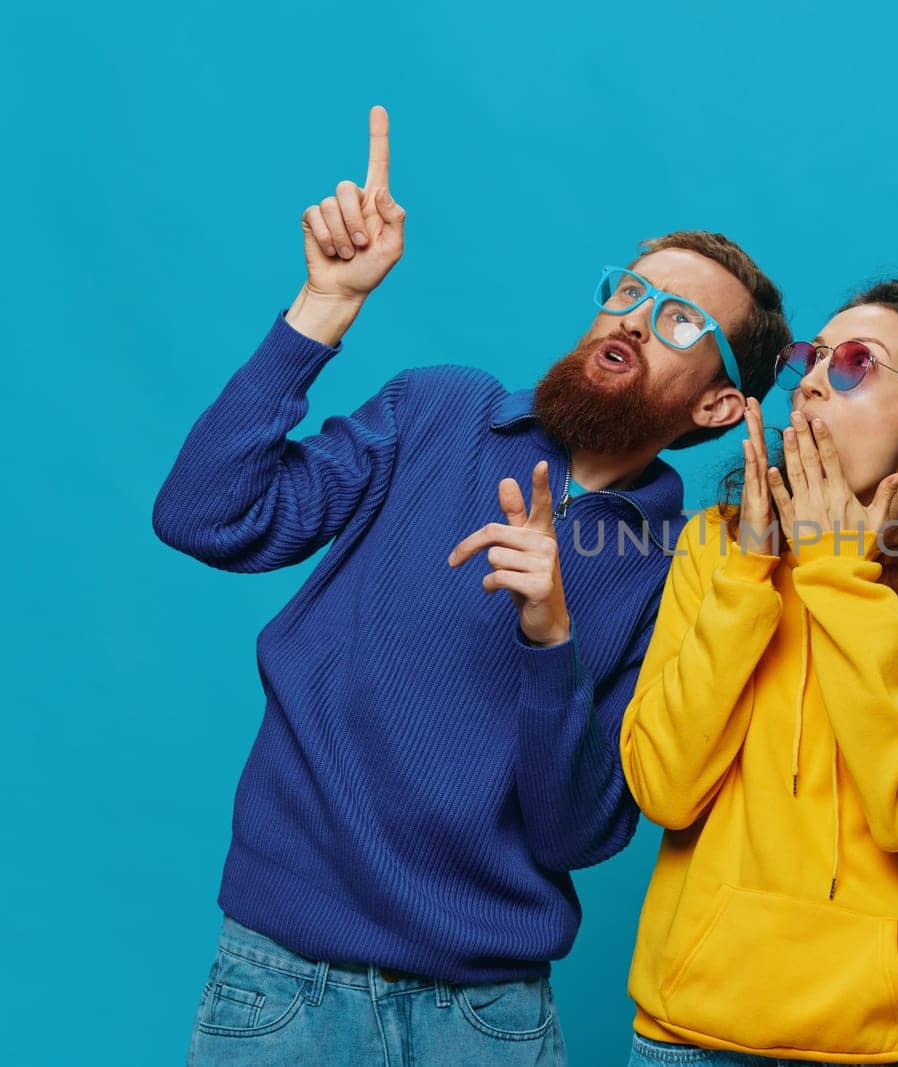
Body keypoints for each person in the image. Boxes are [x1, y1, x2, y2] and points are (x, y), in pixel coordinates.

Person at [151, 105, 789, 1066]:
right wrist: (322, 307)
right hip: (281, 983)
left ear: (719, 403)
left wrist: (551, 634)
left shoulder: (681, 570)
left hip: (487, 1016)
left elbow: (580, 828)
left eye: (678, 319)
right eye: (628, 292)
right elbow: (206, 514)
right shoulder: (437, 411)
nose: (631, 319)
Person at [619, 280, 898, 1065]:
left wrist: (838, 574)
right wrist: (753, 572)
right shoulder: (718, 546)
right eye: (809, 359)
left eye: (854, 362)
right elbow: (664, 788)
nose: (813, 379)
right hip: (696, 1030)